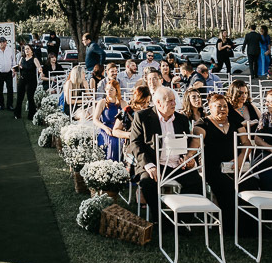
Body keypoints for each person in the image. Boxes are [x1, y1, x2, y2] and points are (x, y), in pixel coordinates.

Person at [127, 86, 202, 215]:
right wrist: (149, 165)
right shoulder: (143, 117)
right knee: (147, 183)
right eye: (169, 101)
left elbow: (188, 143)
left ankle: (182, 217)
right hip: (155, 163)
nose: (174, 103)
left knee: (196, 182)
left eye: (174, 100)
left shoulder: (181, 119)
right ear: (158, 103)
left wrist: (188, 159)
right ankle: (160, 217)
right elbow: (135, 144)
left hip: (178, 165)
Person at [195, 92, 249, 233]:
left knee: (249, 185)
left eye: (225, 106)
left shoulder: (235, 123)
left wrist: (241, 158)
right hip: (213, 167)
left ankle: (251, 224)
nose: (223, 109)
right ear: (210, 107)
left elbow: (246, 143)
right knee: (227, 187)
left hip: (236, 166)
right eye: (218, 106)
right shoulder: (203, 124)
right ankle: (231, 227)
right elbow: (195, 144)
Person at [92, 80, 124, 161]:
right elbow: (95, 119)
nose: (108, 92)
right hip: (105, 128)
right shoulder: (102, 102)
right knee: (112, 142)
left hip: (119, 129)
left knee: (121, 142)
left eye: (111, 89)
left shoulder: (123, 103)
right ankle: (110, 164)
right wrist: (105, 128)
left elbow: (126, 119)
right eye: (107, 89)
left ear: (117, 91)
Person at [15, 43, 44, 120]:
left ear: (31, 50)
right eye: (25, 49)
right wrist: (16, 69)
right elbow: (18, 67)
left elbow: (39, 68)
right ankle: (17, 114)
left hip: (31, 81)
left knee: (30, 97)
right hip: (22, 79)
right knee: (19, 97)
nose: (26, 50)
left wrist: (40, 72)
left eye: (28, 49)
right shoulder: (22, 58)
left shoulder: (34, 59)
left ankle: (31, 115)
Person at [0, 36, 16, 111]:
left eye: (5, 43)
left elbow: (13, 61)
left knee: (10, 89)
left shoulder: (10, 50)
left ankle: (10, 105)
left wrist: (14, 70)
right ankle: (1, 105)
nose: (4, 44)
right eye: (2, 43)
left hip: (8, 72)